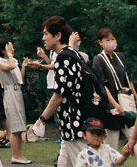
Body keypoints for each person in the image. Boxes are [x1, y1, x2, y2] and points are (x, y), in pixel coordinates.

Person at [34, 15, 85, 167]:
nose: (43, 38)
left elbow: (58, 95)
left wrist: (41, 119)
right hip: (70, 125)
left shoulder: (64, 58)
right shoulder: (71, 54)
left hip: (73, 124)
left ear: (58, 36)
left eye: (46, 34)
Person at [92, 27, 137, 150]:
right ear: (100, 42)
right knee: (111, 143)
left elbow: (129, 78)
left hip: (127, 102)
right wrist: (115, 104)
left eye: (113, 39)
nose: (111, 42)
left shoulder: (120, 57)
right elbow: (102, 85)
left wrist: (136, 97)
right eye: (107, 40)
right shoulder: (98, 60)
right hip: (111, 107)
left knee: (134, 136)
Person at [0, 38, 31, 165]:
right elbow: (10, 67)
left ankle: (19, 154)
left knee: (20, 126)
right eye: (9, 47)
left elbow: (19, 78)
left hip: (18, 91)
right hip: (10, 92)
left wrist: (23, 67)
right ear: (3, 50)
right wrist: (9, 55)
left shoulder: (14, 61)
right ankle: (16, 155)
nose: (12, 49)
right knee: (15, 126)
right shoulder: (0, 62)